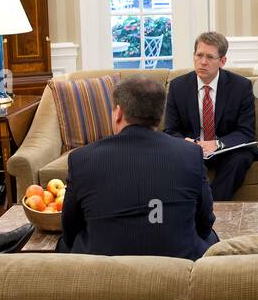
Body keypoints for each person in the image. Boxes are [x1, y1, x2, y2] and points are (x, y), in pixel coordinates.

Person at [59, 76, 218, 260]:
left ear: (118, 113)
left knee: (63, 244)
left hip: (102, 269)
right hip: (177, 266)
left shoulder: (81, 159)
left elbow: (70, 230)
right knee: (210, 237)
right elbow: (205, 223)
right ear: (159, 117)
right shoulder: (191, 154)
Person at [163, 31, 258, 201]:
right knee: (174, 158)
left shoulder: (241, 87)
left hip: (226, 150)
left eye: (210, 57)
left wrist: (217, 144)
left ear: (223, 61)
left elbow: (246, 132)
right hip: (192, 150)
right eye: (199, 55)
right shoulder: (178, 87)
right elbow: (170, 131)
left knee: (241, 158)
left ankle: (212, 207)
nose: (203, 62)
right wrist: (186, 143)